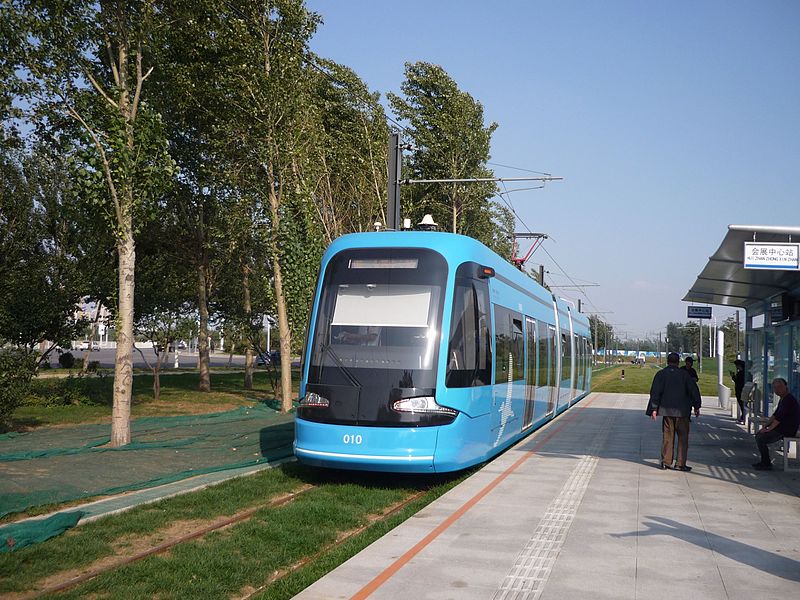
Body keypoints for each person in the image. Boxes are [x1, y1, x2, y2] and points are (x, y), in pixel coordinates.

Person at [647, 352, 702, 471]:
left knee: (667, 437)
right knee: (683, 439)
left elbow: (655, 393)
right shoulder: (685, 375)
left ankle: (666, 462)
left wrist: (654, 409)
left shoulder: (661, 374)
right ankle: (680, 463)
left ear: (667, 361)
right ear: (678, 362)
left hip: (667, 411)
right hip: (682, 412)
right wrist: (697, 406)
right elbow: (694, 391)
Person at [752, 378, 800, 470]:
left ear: (786, 387)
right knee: (759, 435)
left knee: (761, 438)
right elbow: (775, 415)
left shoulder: (788, 400)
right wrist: (766, 426)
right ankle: (765, 461)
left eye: (780, 387)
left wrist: (768, 429)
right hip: (781, 427)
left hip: (787, 429)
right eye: (775, 388)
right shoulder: (782, 399)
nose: (777, 390)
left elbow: (779, 418)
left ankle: (766, 463)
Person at [730, 359, 746, 424]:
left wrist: (733, 376)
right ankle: (743, 417)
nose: (736, 367)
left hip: (740, 390)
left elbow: (737, 381)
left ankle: (743, 417)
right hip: (742, 390)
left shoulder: (740, 373)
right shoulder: (745, 373)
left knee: (742, 404)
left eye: (737, 365)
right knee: (742, 404)